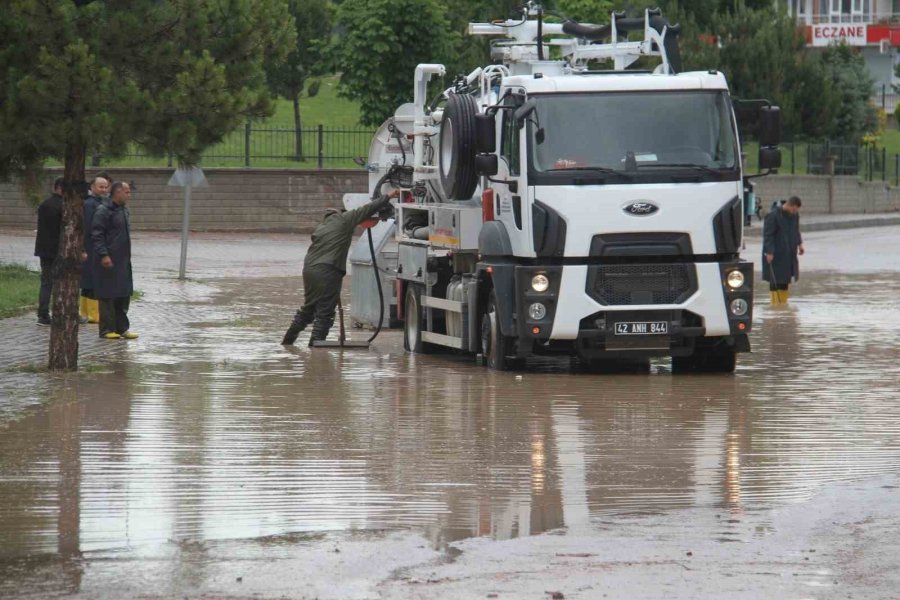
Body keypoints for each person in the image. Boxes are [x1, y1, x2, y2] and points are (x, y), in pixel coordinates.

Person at [282, 192, 395, 346]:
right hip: (328, 270)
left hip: (310, 269)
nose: (375, 223)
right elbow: (369, 208)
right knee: (325, 314)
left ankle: (288, 344)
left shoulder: (328, 223)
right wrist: (390, 195)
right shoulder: (346, 220)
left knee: (308, 310)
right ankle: (316, 354)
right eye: (376, 220)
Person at [91, 181, 138, 340]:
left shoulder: (124, 210)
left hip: (123, 260)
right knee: (108, 295)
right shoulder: (103, 211)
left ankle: (122, 328)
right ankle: (106, 329)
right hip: (108, 260)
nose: (129, 195)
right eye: (127, 192)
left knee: (123, 294)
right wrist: (104, 254)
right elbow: (97, 235)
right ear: (117, 193)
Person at [33, 178, 65, 326]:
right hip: (57, 249)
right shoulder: (63, 206)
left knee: (46, 282)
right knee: (60, 282)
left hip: (44, 249)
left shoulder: (45, 204)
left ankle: (43, 313)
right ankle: (59, 312)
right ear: (61, 188)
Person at [762, 195, 804, 305]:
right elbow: (768, 235)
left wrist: (800, 244)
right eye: (793, 209)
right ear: (789, 205)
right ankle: (775, 304)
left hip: (789, 251)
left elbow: (796, 230)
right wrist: (770, 252)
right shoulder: (773, 215)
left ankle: (783, 304)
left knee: (785, 278)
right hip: (775, 253)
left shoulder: (794, 215)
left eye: (796, 210)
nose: (794, 212)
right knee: (775, 278)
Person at [81, 175, 110, 323]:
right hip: (91, 245)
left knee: (89, 279)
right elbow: (88, 227)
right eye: (101, 186)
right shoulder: (90, 204)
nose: (104, 189)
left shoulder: (103, 202)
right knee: (91, 279)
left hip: (96, 245)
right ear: (92, 187)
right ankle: (92, 314)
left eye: (106, 187)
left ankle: (86, 311)